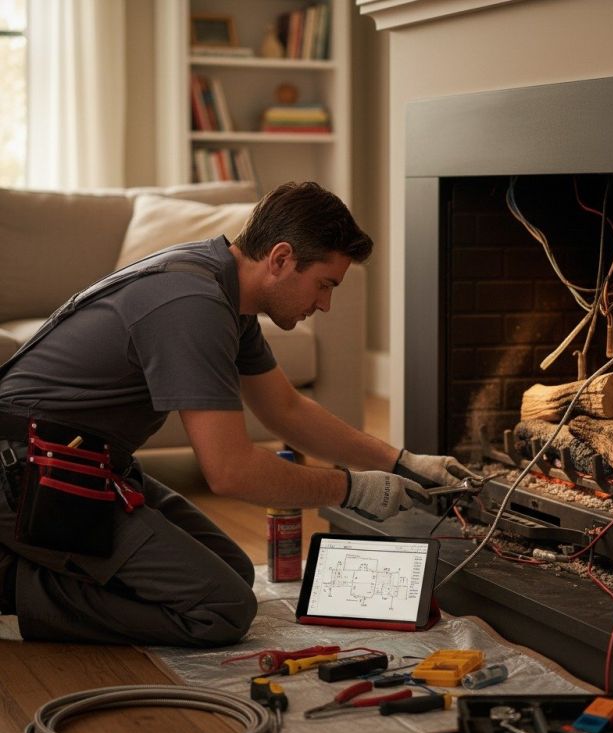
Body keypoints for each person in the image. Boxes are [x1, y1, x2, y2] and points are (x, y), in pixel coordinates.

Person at [0, 181, 475, 647]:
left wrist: (402, 461)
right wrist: (353, 489)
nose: (326, 304)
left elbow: (286, 410)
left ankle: (60, 563)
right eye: (324, 285)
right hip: (30, 474)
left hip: (84, 461)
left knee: (233, 569)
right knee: (219, 609)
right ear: (282, 258)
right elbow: (230, 472)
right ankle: (11, 589)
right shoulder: (193, 304)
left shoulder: (224, 290)